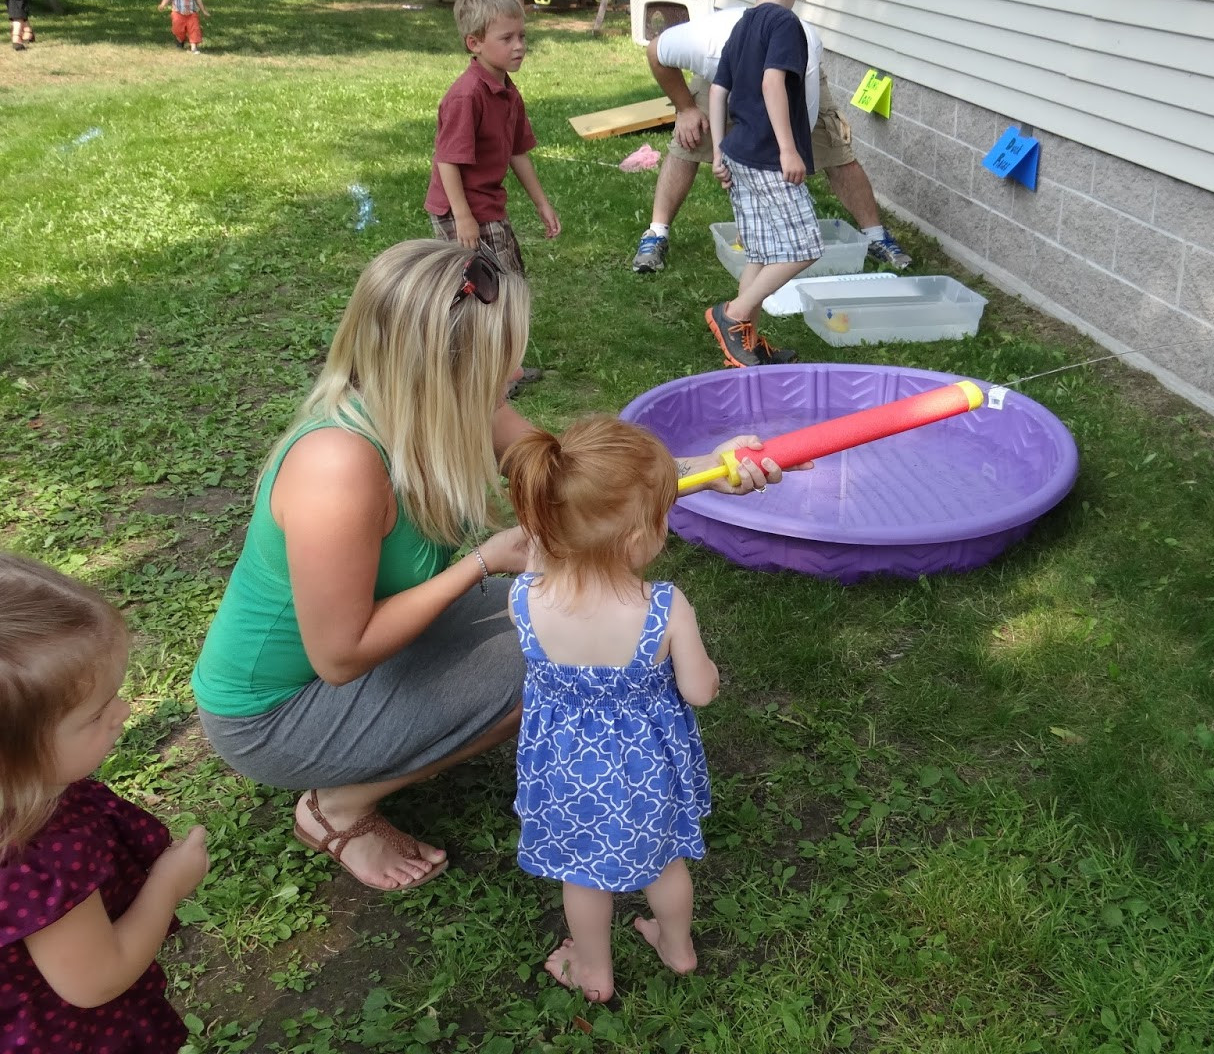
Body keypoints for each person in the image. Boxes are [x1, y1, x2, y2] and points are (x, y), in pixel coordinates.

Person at [190, 240, 783, 894]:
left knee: (567, 619)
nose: (519, 369)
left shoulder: (444, 403)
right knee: (561, 654)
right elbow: (339, 654)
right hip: (278, 714)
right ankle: (336, 807)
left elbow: (566, 481)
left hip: (357, 662)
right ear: (444, 368)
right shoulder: (338, 468)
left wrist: (705, 471)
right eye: (505, 356)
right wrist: (481, 562)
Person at [501, 416, 717, 1003]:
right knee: (665, 863)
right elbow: (699, 691)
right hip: (647, 768)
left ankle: (593, 969)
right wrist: (705, 672)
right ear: (635, 541)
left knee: (583, 872)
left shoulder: (523, 595)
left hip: (566, 769)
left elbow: (542, 565)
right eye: (662, 516)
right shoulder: (666, 607)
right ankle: (677, 948)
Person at [0, 551, 211, 1051]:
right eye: (94, 716)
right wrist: (167, 884)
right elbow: (96, 978)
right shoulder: (34, 853)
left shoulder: (29, 790)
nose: (124, 712)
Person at [631, 9, 911, 275]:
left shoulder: (803, 49)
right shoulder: (706, 47)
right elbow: (655, 53)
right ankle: (656, 233)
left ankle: (876, 236)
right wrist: (686, 109)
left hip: (795, 86)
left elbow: (806, 117)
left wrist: (787, 155)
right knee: (687, 142)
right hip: (718, 80)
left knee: (834, 148)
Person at [703, 0, 829, 368]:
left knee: (762, 250)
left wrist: (718, 152)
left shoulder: (742, 24)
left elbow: (718, 90)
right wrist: (789, 150)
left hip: (738, 153)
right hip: (767, 157)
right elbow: (772, 82)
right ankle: (733, 314)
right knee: (803, 246)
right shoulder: (784, 24)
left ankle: (746, 342)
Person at [425, 0, 559, 391]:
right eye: (507, 38)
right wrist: (463, 218)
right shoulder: (467, 96)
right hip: (461, 210)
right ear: (475, 43)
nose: (519, 46)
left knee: (508, 282)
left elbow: (517, 151)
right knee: (486, 290)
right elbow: (447, 160)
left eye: (522, 37)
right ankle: (483, 374)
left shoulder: (506, 90)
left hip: (488, 205)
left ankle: (502, 368)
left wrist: (541, 202)